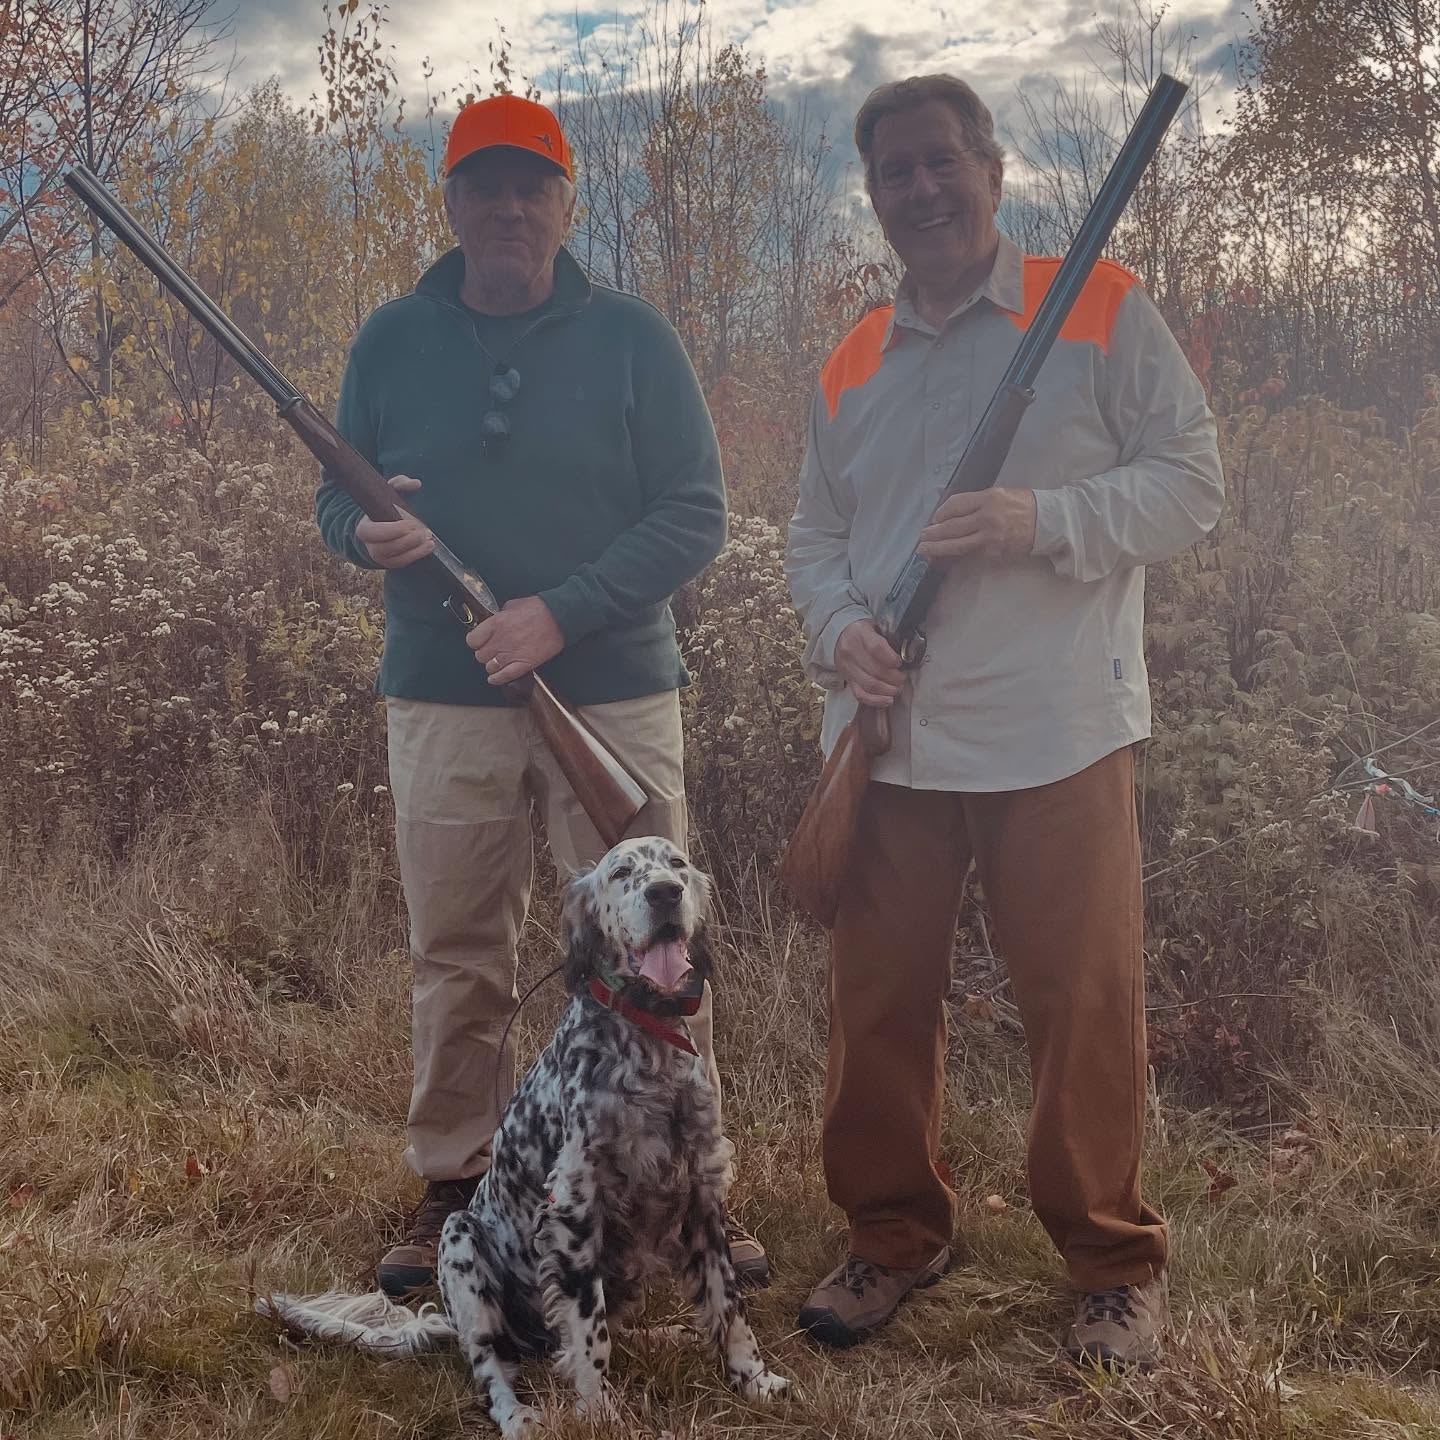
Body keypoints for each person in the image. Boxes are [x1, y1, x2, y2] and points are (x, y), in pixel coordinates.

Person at [784, 74, 1223, 1366]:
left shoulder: (1099, 306)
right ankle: (889, 1238)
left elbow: (1192, 485)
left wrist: (1045, 519)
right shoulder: (853, 355)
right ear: (873, 199)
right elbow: (815, 535)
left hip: (1056, 732)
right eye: (894, 174)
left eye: (940, 162)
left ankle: (1110, 1264)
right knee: (875, 1008)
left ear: (991, 163)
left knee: (1080, 1004)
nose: (920, 191)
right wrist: (840, 631)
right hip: (888, 742)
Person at [316, 93, 768, 1296]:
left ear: (567, 203)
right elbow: (334, 501)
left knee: (659, 955)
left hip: (612, 691)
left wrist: (558, 611)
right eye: (484, 186)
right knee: (457, 949)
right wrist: (367, 540)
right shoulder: (389, 341)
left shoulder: (636, 339)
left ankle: (687, 1198)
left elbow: (696, 514)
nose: (508, 208)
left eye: (533, 187)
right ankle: (456, 1182)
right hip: (440, 695)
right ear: (452, 202)